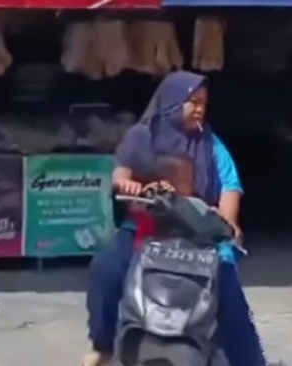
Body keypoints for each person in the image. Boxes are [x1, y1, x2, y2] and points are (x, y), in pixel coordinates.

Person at [83, 71, 266, 366]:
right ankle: (103, 345)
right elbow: (121, 173)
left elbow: (230, 188)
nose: (199, 109)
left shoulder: (212, 146)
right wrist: (127, 186)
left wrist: (227, 224)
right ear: (170, 102)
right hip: (146, 229)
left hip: (198, 234)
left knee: (229, 291)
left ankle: (251, 362)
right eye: (192, 101)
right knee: (106, 269)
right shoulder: (141, 137)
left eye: (203, 103)